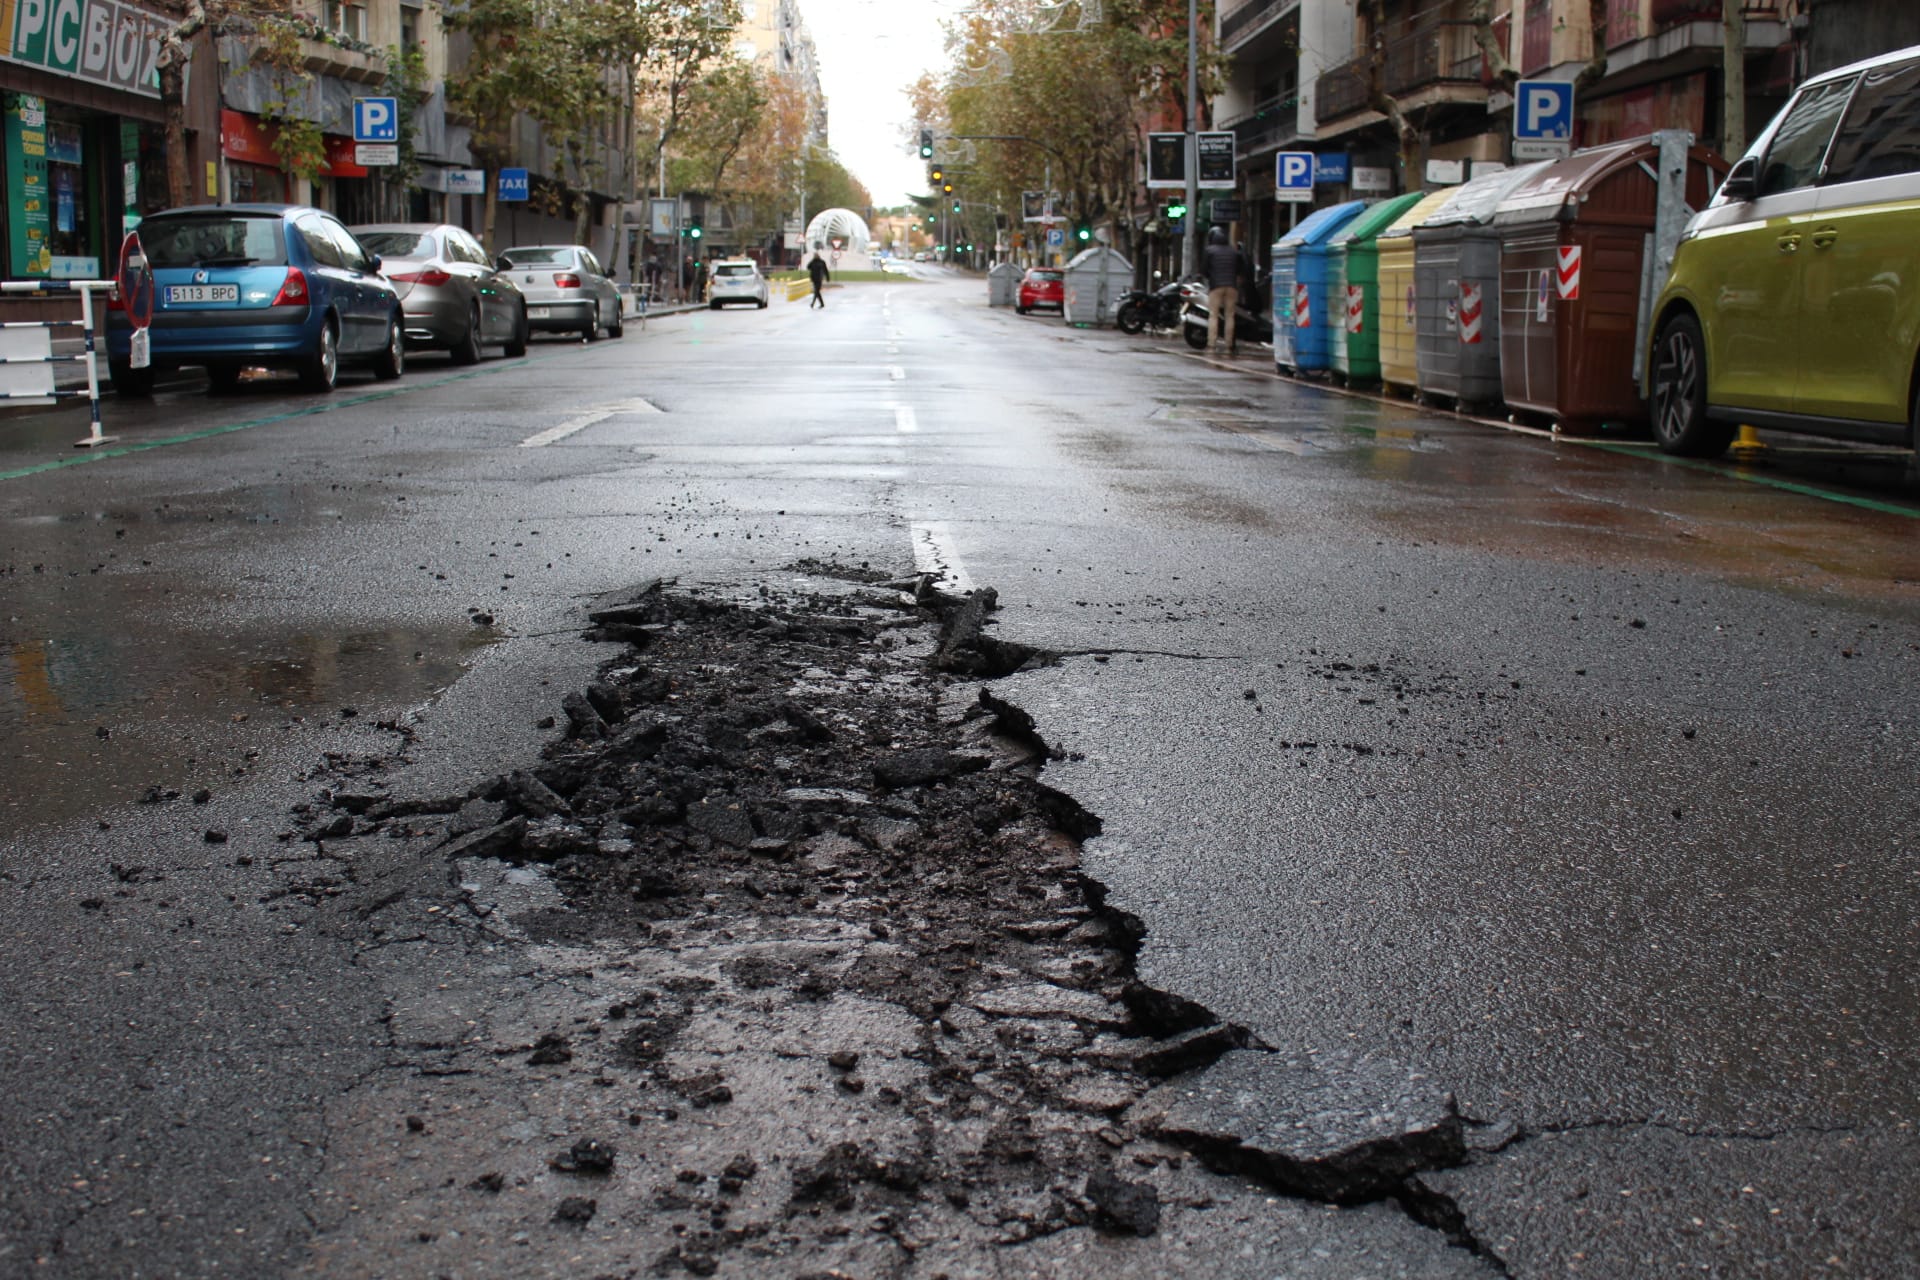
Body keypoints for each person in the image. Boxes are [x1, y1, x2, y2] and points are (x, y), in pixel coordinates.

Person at [1203, 226, 1251, 355]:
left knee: (1213, 315)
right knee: (1230, 315)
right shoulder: (1233, 251)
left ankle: (1211, 343)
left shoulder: (1210, 251)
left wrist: (1211, 278)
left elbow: (1205, 270)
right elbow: (1240, 269)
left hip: (1216, 286)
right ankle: (1228, 343)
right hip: (1231, 286)